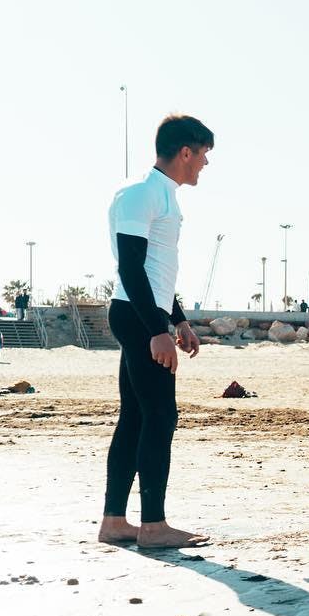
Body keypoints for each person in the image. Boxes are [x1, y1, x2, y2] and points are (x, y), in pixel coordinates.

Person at [99, 115, 213, 548]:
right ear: (186, 151)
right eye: (203, 154)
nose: (205, 164)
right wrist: (156, 330)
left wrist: (178, 319)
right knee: (161, 417)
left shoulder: (162, 195)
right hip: (135, 315)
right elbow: (130, 266)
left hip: (144, 314)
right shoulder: (142, 193)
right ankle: (153, 526)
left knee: (136, 417)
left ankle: (115, 522)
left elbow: (157, 272)